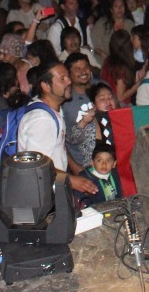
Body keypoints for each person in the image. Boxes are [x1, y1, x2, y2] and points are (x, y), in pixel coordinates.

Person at [18, 62, 98, 197]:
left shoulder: (53, 109)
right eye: (62, 79)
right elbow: (35, 165)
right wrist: (71, 180)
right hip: (41, 193)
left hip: (54, 184)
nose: (69, 81)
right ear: (46, 86)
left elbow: (57, 146)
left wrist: (74, 168)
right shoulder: (42, 120)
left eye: (68, 76)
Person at [77, 142, 123, 207]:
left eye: (108, 161)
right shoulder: (84, 179)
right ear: (92, 163)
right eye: (99, 160)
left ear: (114, 164)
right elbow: (82, 201)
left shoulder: (116, 175)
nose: (104, 164)